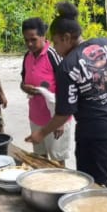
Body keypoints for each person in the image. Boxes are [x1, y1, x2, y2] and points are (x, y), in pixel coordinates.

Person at [25, 1, 107, 193]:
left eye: (56, 42)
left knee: (94, 184)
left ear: (66, 38)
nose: (56, 48)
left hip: (95, 134)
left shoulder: (68, 66)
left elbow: (64, 112)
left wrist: (41, 133)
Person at [20, 17, 73, 166]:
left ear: (44, 37)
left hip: (56, 119)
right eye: (26, 40)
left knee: (57, 162)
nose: (29, 44)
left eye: (33, 39)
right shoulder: (27, 56)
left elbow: (67, 87)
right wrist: (24, 87)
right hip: (36, 117)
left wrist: (61, 121)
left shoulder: (53, 55)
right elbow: (23, 81)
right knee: (40, 159)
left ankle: (61, 189)